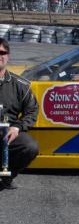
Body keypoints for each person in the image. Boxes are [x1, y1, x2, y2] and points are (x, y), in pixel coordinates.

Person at [0, 38, 39, 189]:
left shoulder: (21, 85)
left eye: (2, 52)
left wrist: (17, 128)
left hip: (7, 133)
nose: (0, 56)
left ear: (8, 56)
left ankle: (6, 177)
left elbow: (32, 110)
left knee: (29, 146)